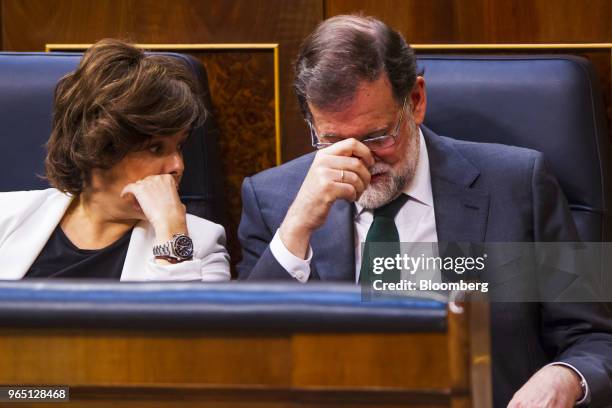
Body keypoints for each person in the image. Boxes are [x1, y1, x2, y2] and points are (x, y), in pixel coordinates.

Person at [237, 15, 612, 407]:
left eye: (376, 137)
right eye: (332, 141)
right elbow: (242, 355)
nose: (360, 159)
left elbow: (595, 338)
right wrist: (297, 227)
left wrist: (567, 376)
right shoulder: (273, 200)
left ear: (415, 101)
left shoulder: (518, 185)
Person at [0, 39, 230, 281]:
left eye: (180, 146)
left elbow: (188, 318)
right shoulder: (6, 216)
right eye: (155, 148)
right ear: (98, 146)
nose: (177, 166)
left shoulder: (200, 244)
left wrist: (171, 234)